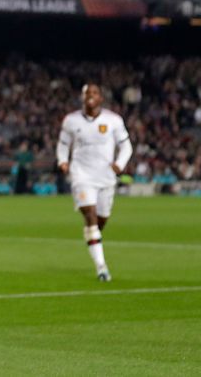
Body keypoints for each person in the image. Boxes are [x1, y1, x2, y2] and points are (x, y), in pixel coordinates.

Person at [56, 83, 133, 282]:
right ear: (82, 98)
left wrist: (120, 164)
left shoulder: (113, 120)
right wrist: (63, 161)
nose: (91, 96)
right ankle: (102, 267)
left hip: (106, 177)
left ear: (101, 98)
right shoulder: (71, 121)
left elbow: (126, 146)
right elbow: (63, 144)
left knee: (101, 221)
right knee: (90, 216)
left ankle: (92, 238)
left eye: (95, 93)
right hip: (81, 176)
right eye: (87, 93)